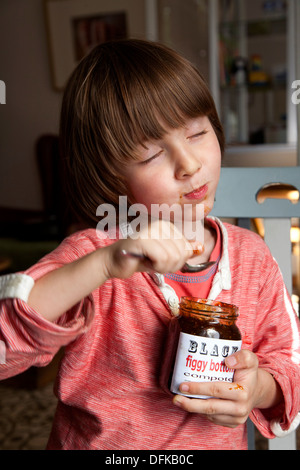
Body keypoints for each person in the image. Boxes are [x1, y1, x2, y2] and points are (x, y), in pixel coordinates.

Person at [0, 39, 299, 450]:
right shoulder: (93, 257)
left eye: (197, 132)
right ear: (108, 174)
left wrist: (259, 388)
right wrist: (102, 265)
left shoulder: (253, 259)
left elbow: (290, 364)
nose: (189, 165)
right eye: (151, 154)